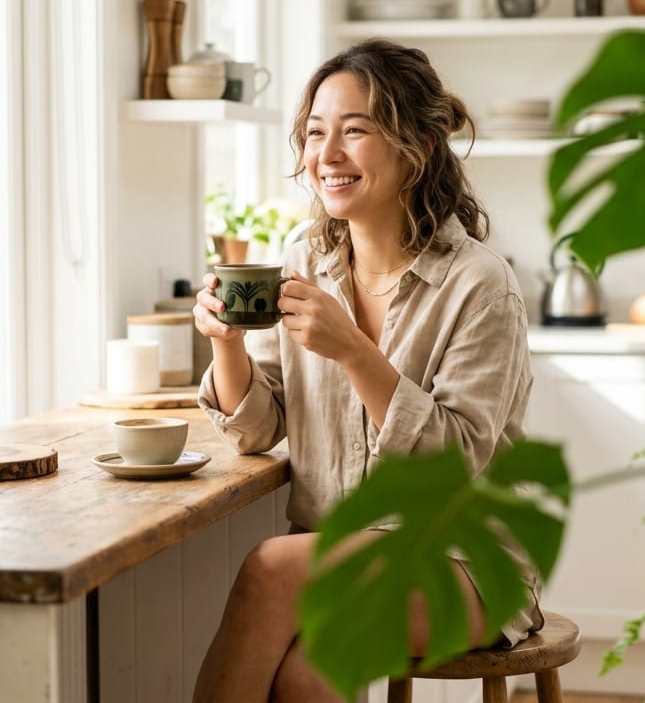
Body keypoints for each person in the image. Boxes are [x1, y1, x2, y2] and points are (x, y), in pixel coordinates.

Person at [190, 38, 539, 702]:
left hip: (466, 565)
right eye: (316, 133)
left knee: (269, 568)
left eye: (355, 131)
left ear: (418, 146)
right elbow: (258, 428)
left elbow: (457, 462)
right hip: (340, 556)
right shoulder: (303, 258)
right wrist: (226, 343)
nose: (327, 156)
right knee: (305, 675)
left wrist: (354, 352)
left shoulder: (479, 285)